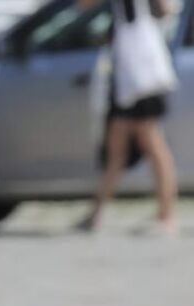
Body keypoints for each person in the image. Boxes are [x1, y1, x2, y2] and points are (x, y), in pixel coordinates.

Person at [77, 0, 179, 233]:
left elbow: (165, 8)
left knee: (152, 144)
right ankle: (96, 213)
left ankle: (167, 216)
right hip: (128, 81)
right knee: (117, 148)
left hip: (141, 81)